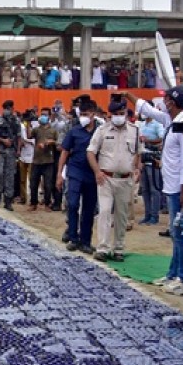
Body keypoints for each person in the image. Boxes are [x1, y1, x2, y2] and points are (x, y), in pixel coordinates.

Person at [127, 87, 183, 295]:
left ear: (172, 102)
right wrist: (128, 96)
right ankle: (173, 272)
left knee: (179, 233)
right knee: (175, 233)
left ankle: (182, 278)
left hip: (178, 186)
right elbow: (148, 110)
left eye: (165, 99)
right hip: (171, 184)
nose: (162, 102)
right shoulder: (169, 120)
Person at [87, 101, 141, 262]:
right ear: (110, 115)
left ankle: (118, 248)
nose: (119, 116)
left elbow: (138, 152)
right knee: (104, 212)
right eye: (116, 113)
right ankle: (102, 248)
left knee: (121, 215)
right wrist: (97, 171)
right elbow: (90, 152)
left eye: (122, 112)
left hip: (125, 179)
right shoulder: (102, 130)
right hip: (106, 178)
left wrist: (137, 169)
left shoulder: (135, 131)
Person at [57, 100, 98, 254]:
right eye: (82, 114)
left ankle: (85, 241)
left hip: (91, 174)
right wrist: (59, 174)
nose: (83, 117)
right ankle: (73, 237)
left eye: (86, 114)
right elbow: (64, 152)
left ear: (93, 114)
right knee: (72, 204)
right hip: (75, 172)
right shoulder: (74, 131)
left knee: (89, 209)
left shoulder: (99, 132)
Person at [28, 109, 59, 211]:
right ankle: (33, 203)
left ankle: (47, 203)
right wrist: (28, 123)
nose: (42, 117)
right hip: (36, 160)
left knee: (48, 184)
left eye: (45, 115)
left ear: (49, 117)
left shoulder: (53, 131)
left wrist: (51, 142)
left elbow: (58, 143)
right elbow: (29, 136)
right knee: (33, 183)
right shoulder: (37, 129)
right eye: (41, 115)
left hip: (48, 161)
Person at [0, 100, 20, 210]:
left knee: (10, 176)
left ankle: (8, 200)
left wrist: (18, 150)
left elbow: (18, 136)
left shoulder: (16, 121)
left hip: (11, 151)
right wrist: (3, 140)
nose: (9, 110)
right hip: (0, 149)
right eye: (7, 108)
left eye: (10, 108)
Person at [138, 111, 165, 225]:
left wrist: (148, 140)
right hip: (143, 159)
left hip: (153, 159)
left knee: (154, 189)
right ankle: (147, 214)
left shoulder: (157, 124)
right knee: (145, 190)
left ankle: (154, 215)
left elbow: (161, 138)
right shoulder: (141, 125)